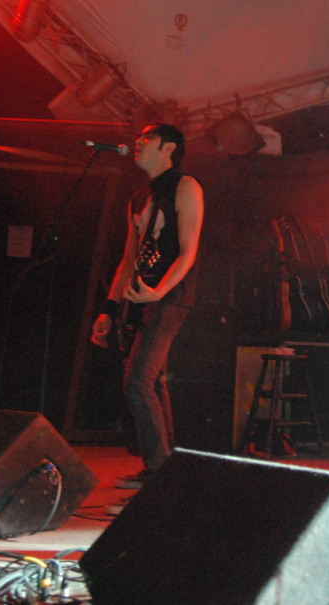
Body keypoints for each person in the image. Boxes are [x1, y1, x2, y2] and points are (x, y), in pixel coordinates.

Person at [91, 123, 203, 496]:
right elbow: (128, 260)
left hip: (170, 297)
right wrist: (108, 309)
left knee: (137, 381)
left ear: (168, 148)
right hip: (141, 298)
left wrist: (159, 291)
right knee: (151, 381)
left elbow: (188, 251)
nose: (137, 144)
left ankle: (159, 471)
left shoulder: (186, 186)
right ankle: (167, 468)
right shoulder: (138, 198)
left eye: (146, 140)